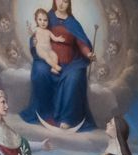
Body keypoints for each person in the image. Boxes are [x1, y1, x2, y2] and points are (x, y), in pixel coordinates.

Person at [19, 0, 97, 131]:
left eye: (65, 1)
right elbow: (36, 36)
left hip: (71, 64)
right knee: (40, 71)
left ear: (69, 4)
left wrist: (88, 54)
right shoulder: (46, 17)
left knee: (74, 78)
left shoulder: (73, 23)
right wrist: (34, 42)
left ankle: (67, 118)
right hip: (48, 58)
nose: (61, 4)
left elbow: (81, 42)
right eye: (59, 0)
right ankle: (45, 113)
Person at [30, 8, 62, 74]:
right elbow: (31, 34)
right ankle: (55, 66)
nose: (43, 22)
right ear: (36, 20)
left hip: (49, 49)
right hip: (40, 49)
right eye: (40, 20)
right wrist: (29, 29)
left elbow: (54, 38)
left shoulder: (48, 32)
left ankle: (53, 69)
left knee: (55, 55)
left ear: (48, 21)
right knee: (46, 56)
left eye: (45, 20)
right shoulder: (37, 29)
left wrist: (58, 39)